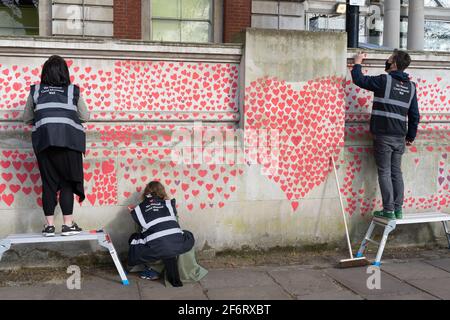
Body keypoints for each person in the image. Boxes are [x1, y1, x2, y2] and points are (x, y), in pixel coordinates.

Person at [22, 55, 90, 236]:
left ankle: (49, 226)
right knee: (67, 184)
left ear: (45, 72)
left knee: (49, 184)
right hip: (70, 143)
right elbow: (85, 116)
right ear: (64, 72)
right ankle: (68, 225)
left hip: (45, 143)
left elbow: (27, 118)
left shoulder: (35, 91)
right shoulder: (72, 91)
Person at [351, 50, 420, 220]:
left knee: (384, 171)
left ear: (394, 64)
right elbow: (415, 115)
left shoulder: (384, 80)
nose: (386, 62)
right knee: (396, 172)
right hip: (399, 137)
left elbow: (359, 79)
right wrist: (410, 136)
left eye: (389, 59)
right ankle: (398, 210)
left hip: (383, 136)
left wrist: (357, 62)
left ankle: (388, 210)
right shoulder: (411, 87)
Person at [127, 181, 199, 287]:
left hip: (157, 247)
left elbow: (140, 229)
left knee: (136, 238)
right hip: (176, 243)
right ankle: (168, 273)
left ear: (145, 193)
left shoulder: (140, 208)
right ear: (163, 192)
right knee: (181, 236)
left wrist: (134, 212)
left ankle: (153, 270)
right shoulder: (169, 205)